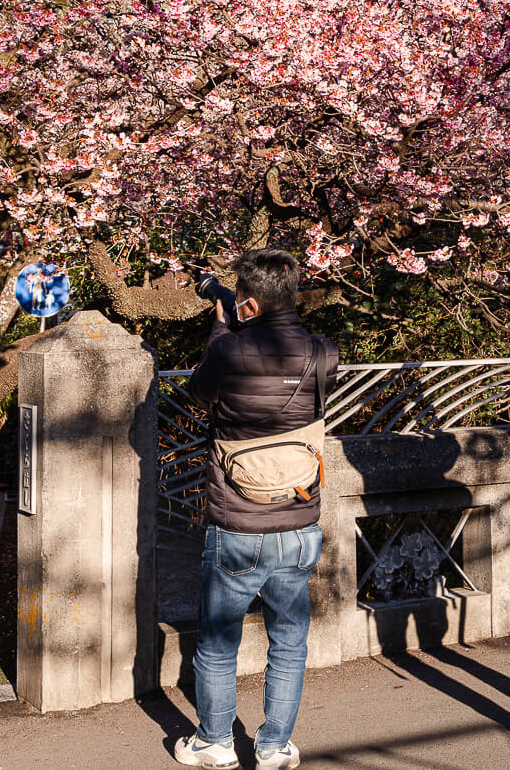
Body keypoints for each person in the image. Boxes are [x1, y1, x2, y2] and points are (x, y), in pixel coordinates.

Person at [174, 249, 338, 770]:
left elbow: (203, 396)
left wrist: (221, 334)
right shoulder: (322, 352)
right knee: (289, 641)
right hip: (297, 515)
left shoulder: (230, 350)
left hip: (237, 520)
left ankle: (215, 742)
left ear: (246, 303)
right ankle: (273, 747)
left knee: (219, 642)